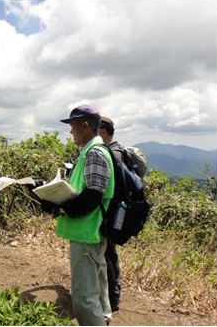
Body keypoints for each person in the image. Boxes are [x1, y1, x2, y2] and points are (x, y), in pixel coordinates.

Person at [36, 105, 115, 326]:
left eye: (72, 126)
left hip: (87, 232)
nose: (70, 131)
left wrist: (59, 207)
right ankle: (104, 320)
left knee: (83, 298)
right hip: (90, 231)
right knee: (97, 289)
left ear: (85, 125)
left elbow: (92, 197)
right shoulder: (91, 152)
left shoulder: (95, 153)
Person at [99, 116, 124, 313]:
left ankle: (111, 299)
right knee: (111, 254)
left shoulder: (111, 154)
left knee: (106, 255)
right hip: (117, 213)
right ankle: (114, 295)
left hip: (110, 213)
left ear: (103, 132)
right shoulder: (119, 151)